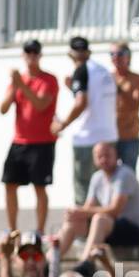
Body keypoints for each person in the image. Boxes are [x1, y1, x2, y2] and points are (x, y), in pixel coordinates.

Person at [0, 40, 58, 235]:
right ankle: (12, 228)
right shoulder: (18, 81)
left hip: (42, 142)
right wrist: (15, 86)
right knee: (9, 184)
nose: (32, 56)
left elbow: (40, 104)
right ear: (23, 55)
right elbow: (3, 108)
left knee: (40, 186)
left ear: (40, 55)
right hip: (19, 141)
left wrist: (21, 85)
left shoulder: (49, 80)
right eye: (28, 52)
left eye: (35, 52)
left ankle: (40, 230)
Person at [52, 37, 117, 206]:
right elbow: (98, 101)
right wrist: (71, 87)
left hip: (88, 139)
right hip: (109, 136)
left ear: (70, 54)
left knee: (84, 192)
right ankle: (104, 231)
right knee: (106, 192)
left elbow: (82, 102)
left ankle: (84, 232)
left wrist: (62, 124)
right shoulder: (104, 72)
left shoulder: (81, 71)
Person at [55, 141, 139, 257]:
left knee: (99, 219)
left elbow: (115, 211)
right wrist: (75, 213)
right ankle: (49, 261)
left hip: (135, 231)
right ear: (94, 158)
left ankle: (86, 262)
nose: (104, 160)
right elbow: (87, 209)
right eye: (100, 156)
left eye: (107, 155)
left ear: (116, 156)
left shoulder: (125, 175)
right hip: (109, 229)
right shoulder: (97, 177)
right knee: (73, 222)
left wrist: (81, 212)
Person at [110, 43, 139, 172]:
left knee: (128, 175)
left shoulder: (138, 79)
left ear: (128, 57)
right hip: (110, 136)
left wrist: (122, 88)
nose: (115, 58)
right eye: (112, 54)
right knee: (108, 175)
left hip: (129, 136)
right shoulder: (107, 77)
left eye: (119, 54)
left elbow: (136, 103)